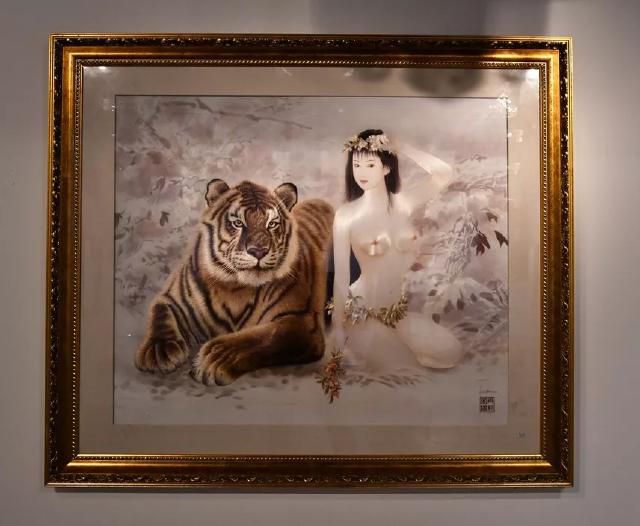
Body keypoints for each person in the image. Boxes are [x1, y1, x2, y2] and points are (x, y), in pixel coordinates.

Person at [331, 129, 463, 372]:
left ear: (386, 168)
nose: (361, 172)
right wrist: (337, 329)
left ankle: (395, 346)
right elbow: (341, 277)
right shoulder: (346, 215)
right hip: (362, 313)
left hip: (396, 314)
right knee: (406, 368)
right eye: (356, 165)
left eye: (370, 165)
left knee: (450, 351)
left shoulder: (404, 204)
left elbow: (445, 173)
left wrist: (403, 148)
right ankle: (376, 347)